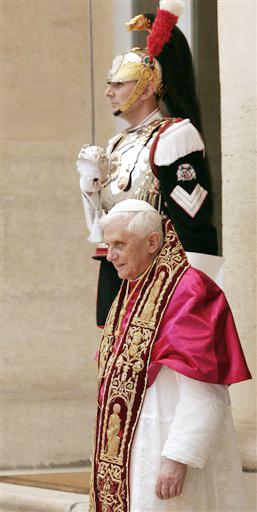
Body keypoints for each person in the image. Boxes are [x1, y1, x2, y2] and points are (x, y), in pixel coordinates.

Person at [89, 199, 251, 512]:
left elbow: (206, 390)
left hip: (165, 451)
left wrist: (179, 457)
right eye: (108, 245)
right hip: (132, 454)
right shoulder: (133, 289)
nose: (110, 257)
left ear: (152, 242)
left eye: (119, 244)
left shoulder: (188, 289)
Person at [76, 0, 221, 326]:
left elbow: (192, 225)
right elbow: (102, 229)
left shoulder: (175, 137)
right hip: (119, 278)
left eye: (119, 84)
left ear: (147, 88)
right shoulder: (117, 143)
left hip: (164, 282)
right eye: (109, 83)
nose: (108, 92)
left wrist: (196, 296)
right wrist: (88, 188)